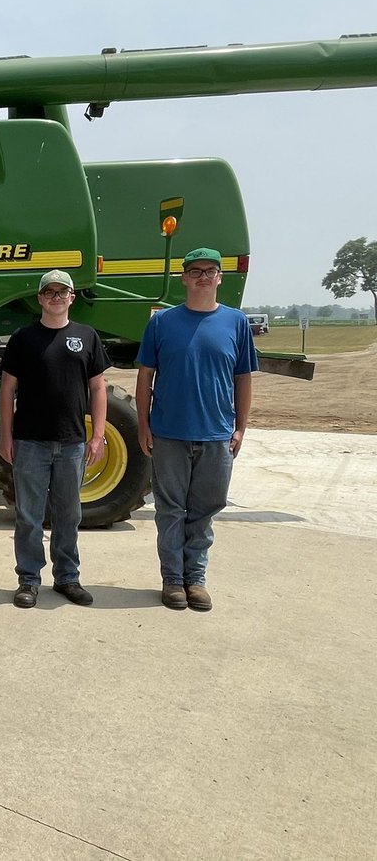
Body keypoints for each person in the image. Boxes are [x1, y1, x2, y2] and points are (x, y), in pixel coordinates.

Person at [136, 247, 259, 612]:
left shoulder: (236, 323)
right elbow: (145, 377)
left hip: (217, 434)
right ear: (184, 278)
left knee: (205, 509)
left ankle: (197, 579)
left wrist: (240, 428)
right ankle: (173, 580)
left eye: (210, 271)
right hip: (169, 432)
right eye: (195, 271)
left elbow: (244, 379)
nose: (203, 276)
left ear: (221, 277)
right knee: (170, 510)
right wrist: (143, 425)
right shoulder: (162, 323)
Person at [0, 269, 109, 609]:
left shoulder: (87, 337)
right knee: (29, 515)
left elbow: (98, 387)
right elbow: (7, 389)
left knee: (68, 514)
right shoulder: (23, 338)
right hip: (30, 442)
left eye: (63, 292)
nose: (56, 298)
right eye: (50, 293)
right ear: (40, 299)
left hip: (73, 442)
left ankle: (67, 578)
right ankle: (28, 580)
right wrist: (6, 435)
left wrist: (98, 435)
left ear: (72, 298)